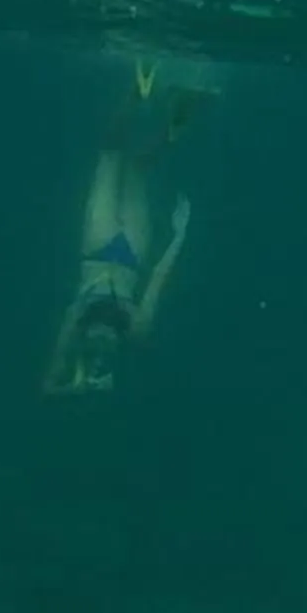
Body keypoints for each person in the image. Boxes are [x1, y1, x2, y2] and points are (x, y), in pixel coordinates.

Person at [42, 63, 196, 397]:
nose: (102, 340)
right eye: (107, 346)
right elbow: (157, 278)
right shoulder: (137, 329)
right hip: (131, 253)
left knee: (110, 155)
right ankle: (173, 124)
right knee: (135, 169)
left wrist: (77, 388)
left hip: (98, 247)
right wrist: (179, 234)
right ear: (118, 351)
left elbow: (48, 387)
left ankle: (138, 92)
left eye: (96, 345)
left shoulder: (76, 329)